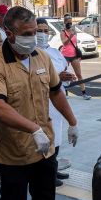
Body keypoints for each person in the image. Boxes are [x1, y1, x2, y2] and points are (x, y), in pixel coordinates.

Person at [0, 6, 79, 200]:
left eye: (35, 31)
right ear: (8, 33)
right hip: (14, 150)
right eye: (27, 32)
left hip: (45, 146)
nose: (33, 37)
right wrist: (32, 128)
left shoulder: (42, 57)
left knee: (45, 197)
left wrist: (72, 121)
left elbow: (56, 91)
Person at [36, 18, 76, 187]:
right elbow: (35, 79)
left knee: (57, 137)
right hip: (43, 102)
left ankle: (54, 169)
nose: (43, 34)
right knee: (48, 138)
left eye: (46, 31)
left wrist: (66, 77)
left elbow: (65, 70)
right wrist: (56, 79)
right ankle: (47, 175)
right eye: (39, 30)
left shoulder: (55, 52)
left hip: (58, 100)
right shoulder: (31, 54)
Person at [60, 14, 91, 100]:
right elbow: (64, 43)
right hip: (65, 56)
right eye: (68, 22)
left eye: (71, 22)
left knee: (79, 74)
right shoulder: (63, 32)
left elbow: (75, 43)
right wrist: (70, 35)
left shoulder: (74, 31)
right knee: (65, 75)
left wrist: (78, 55)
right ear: (64, 23)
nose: (69, 24)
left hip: (74, 55)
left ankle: (84, 93)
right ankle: (65, 93)